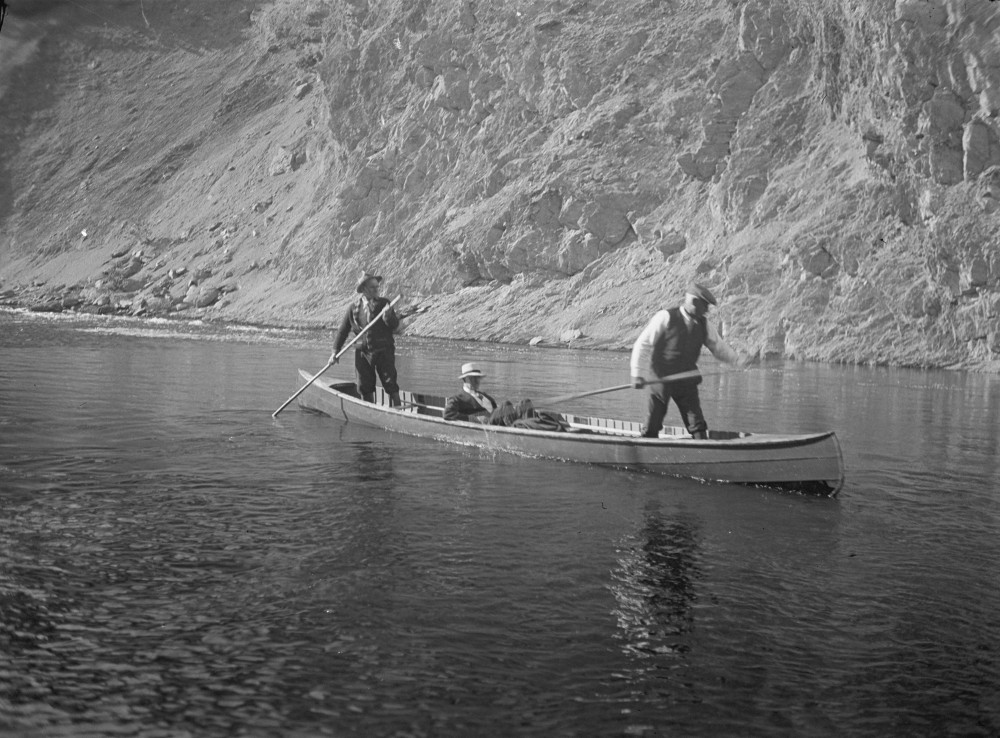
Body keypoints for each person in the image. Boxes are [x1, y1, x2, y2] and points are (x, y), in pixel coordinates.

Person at [630, 283, 747, 439]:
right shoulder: (665, 317)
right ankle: (647, 445)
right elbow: (642, 345)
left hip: (686, 380)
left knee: (696, 422)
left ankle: (701, 448)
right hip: (661, 379)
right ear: (693, 302)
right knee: (653, 422)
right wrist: (637, 374)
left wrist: (737, 361)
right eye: (705, 306)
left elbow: (719, 348)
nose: (707, 310)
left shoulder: (704, 325)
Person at [330, 270, 401, 406]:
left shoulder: (384, 304)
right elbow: (343, 331)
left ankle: (398, 411)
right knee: (364, 385)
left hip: (383, 350)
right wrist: (335, 352)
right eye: (373, 287)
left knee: (390, 382)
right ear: (364, 289)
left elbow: (394, 326)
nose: (376, 289)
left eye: (377, 286)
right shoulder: (353, 308)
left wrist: (388, 317)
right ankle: (369, 410)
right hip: (362, 351)